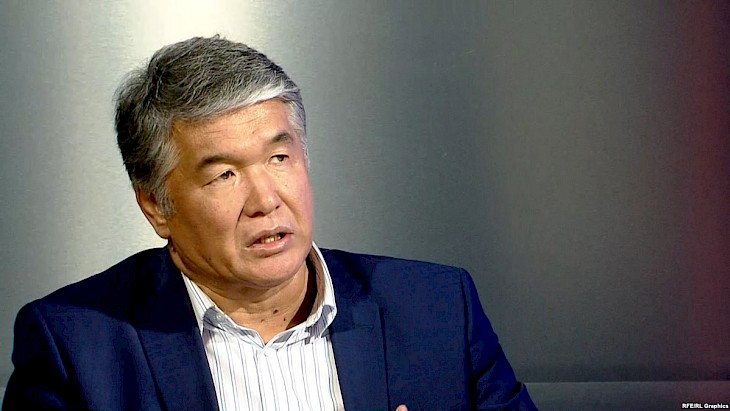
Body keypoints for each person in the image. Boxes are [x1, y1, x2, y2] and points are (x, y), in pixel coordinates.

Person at [2, 36, 536, 410]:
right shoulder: (75, 346)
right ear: (156, 206)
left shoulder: (438, 309)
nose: (265, 200)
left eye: (280, 158)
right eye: (224, 174)